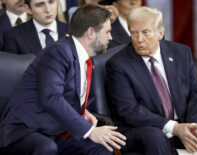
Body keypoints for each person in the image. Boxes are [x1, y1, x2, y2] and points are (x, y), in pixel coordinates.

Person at [106, 6, 197, 155]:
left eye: (145, 32)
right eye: (133, 33)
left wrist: (193, 128)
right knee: (155, 137)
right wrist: (174, 128)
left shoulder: (181, 53)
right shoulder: (118, 64)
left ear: (160, 33)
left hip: (184, 125)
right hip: (148, 130)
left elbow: (196, 94)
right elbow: (129, 110)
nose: (139, 39)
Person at [0, 4, 126, 155]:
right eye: (108, 32)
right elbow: (51, 98)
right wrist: (89, 130)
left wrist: (82, 111)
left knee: (101, 146)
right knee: (47, 148)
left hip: (56, 130)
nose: (111, 37)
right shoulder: (58, 52)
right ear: (91, 33)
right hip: (26, 130)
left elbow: (66, 94)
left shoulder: (84, 58)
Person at [2, 0, 68, 55]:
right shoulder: (13, 35)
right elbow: (12, 69)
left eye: (51, 2)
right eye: (39, 5)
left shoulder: (72, 31)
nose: (48, 10)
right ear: (28, 9)